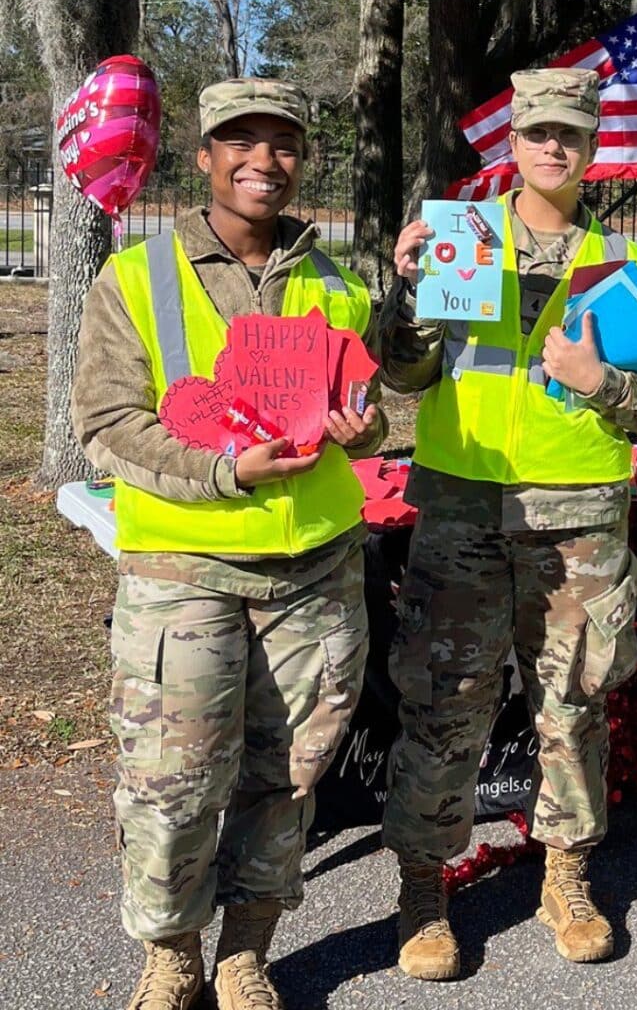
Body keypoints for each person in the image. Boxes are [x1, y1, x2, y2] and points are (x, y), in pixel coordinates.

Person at [72, 78, 385, 1010]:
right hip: (186, 573)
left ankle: (248, 947)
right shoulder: (136, 279)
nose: (263, 161)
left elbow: (362, 414)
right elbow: (107, 425)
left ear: (302, 159)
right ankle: (172, 953)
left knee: (284, 780)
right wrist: (225, 473)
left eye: (282, 143)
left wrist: (363, 434)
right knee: (171, 785)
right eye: (239, 142)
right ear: (203, 158)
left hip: (315, 573)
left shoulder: (338, 286)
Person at [379, 67, 637, 979]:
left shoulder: (618, 268)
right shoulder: (457, 243)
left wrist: (605, 385)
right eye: (539, 133)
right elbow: (401, 378)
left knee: (573, 704)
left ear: (593, 152)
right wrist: (406, 296)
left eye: (572, 136)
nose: (555, 149)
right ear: (513, 145)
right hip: (464, 505)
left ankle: (566, 872)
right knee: (444, 707)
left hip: (578, 516)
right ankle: (424, 884)